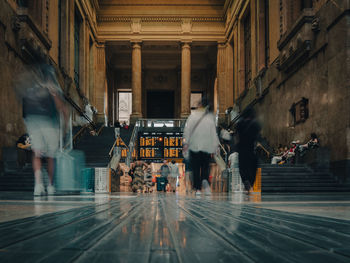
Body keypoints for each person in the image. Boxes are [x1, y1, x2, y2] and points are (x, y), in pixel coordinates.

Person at [15, 56, 68, 196]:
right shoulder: (50, 82)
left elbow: (23, 100)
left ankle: (41, 185)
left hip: (36, 120)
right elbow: (60, 106)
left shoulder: (36, 84)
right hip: (46, 122)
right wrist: (65, 126)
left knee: (39, 154)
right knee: (48, 155)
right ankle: (47, 185)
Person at [183, 98, 219, 196]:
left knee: (195, 167)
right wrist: (216, 146)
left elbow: (187, 131)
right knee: (205, 166)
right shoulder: (210, 118)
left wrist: (185, 144)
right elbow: (213, 133)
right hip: (207, 147)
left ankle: (198, 189)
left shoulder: (192, 116)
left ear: (199, 105)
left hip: (194, 146)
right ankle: (206, 183)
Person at [236, 107, 261, 193]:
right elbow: (257, 137)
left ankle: (245, 181)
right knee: (252, 167)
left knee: (243, 167)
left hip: (242, 149)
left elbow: (237, 137)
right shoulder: (255, 124)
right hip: (251, 149)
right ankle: (250, 183)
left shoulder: (239, 124)